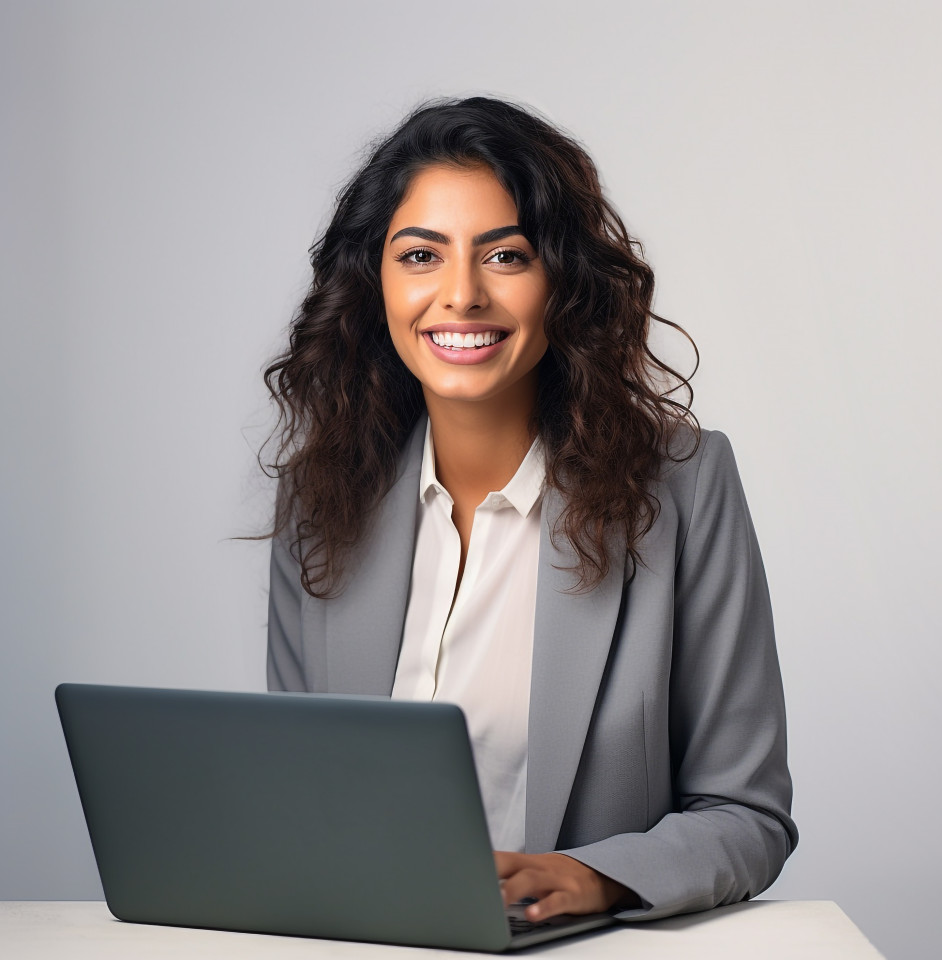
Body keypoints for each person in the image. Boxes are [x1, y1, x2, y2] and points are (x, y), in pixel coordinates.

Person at [262, 95, 798, 925]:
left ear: (563, 281)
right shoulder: (320, 503)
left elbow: (749, 816)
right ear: (375, 286)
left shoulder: (685, 487)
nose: (461, 295)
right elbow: (300, 803)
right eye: (419, 256)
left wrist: (594, 878)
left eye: (506, 256)